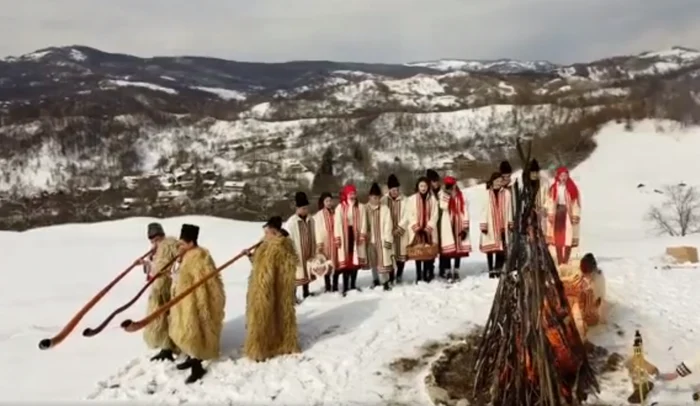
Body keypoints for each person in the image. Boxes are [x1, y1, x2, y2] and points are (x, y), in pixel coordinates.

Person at [168, 224, 225, 384]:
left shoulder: (201, 258)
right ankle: (190, 356)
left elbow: (208, 283)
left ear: (191, 243)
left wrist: (201, 301)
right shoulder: (187, 256)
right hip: (184, 302)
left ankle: (197, 366)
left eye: (183, 244)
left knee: (196, 332)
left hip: (196, 302)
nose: (180, 246)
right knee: (186, 329)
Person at [242, 216, 300, 362]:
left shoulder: (281, 247)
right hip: (261, 287)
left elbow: (283, 269)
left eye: (267, 232)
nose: (265, 234)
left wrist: (267, 284)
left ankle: (267, 347)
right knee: (264, 317)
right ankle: (265, 345)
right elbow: (258, 264)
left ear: (274, 232)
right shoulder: (265, 244)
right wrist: (250, 256)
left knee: (271, 316)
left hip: (274, 289)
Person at [139, 222, 180, 362]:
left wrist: (172, 275)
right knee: (159, 318)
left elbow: (178, 263)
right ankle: (165, 346)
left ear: (162, 235)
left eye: (157, 238)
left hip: (169, 287)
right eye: (152, 240)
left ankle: (173, 345)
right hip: (158, 287)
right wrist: (146, 263)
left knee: (170, 316)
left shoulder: (170, 245)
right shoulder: (155, 251)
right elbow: (155, 268)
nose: (155, 242)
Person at [400, 176, 439, 283]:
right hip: (416, 231)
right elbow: (409, 214)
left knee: (427, 252)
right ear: (417, 186)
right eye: (421, 185)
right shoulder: (411, 199)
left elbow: (435, 215)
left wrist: (428, 227)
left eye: (425, 186)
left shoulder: (432, 199)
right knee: (418, 252)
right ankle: (418, 274)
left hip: (428, 231)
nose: (423, 188)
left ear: (428, 187)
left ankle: (427, 273)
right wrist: (416, 227)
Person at [334, 184, 367, 295]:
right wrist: (337, 237)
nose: (353, 196)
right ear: (346, 195)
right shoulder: (340, 207)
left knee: (355, 262)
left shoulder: (361, 207)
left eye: (354, 194)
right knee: (346, 262)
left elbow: (364, 222)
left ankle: (353, 284)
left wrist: (362, 234)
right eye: (350, 194)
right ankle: (345, 286)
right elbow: (337, 223)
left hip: (356, 235)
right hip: (345, 236)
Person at [480, 172, 513, 278]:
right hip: (490, 223)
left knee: (501, 248)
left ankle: (498, 268)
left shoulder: (507, 193)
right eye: (497, 181)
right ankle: (491, 269)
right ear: (492, 181)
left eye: (500, 181)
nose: (499, 183)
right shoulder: (486, 194)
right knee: (490, 249)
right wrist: (483, 224)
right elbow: (483, 209)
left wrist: (510, 222)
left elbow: (509, 208)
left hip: (502, 223)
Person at [438, 176, 471, 282]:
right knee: (448, 249)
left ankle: (456, 270)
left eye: (452, 185)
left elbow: (465, 210)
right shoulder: (442, 194)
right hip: (448, 222)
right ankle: (447, 271)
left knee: (458, 248)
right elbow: (443, 206)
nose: (452, 187)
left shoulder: (462, 195)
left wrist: (466, 226)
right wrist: (447, 195)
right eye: (449, 186)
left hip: (459, 222)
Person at [284, 191, 316, 301]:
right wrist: (291, 253)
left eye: (306, 208)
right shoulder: (291, 222)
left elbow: (313, 234)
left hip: (308, 250)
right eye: (303, 208)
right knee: (296, 275)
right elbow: (287, 239)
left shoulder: (311, 219)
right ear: (297, 209)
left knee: (307, 272)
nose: (305, 210)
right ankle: (293, 296)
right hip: (297, 251)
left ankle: (306, 292)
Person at [546, 166, 581, 265]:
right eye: (562, 175)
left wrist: (575, 215)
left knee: (568, 238)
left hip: (567, 214)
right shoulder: (554, 188)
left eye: (565, 175)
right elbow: (550, 201)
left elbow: (576, 203)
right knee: (558, 238)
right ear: (558, 176)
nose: (564, 178)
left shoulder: (572, 188)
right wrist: (550, 212)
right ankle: (560, 260)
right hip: (558, 213)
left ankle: (566, 259)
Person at [365, 182, 394, 291]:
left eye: (377, 197)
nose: (375, 199)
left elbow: (388, 224)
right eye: (373, 197)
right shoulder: (365, 208)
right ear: (370, 197)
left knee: (383, 261)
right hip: (370, 240)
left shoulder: (384, 208)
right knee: (373, 261)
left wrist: (387, 239)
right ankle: (375, 279)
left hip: (381, 239)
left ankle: (385, 281)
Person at [381, 174, 408, 284]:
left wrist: (400, 228)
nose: (395, 192)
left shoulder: (405, 199)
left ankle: (399, 275)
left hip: (401, 232)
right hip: (389, 232)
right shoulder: (383, 200)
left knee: (401, 255)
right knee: (390, 255)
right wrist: (388, 229)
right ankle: (391, 276)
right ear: (389, 190)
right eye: (392, 190)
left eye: (396, 190)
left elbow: (407, 215)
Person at [314, 192, 338, 293]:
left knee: (336, 263)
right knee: (327, 264)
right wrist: (319, 243)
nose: (329, 203)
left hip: (335, 242)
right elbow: (317, 229)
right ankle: (328, 285)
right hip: (325, 243)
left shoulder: (335, 212)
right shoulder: (319, 215)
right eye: (326, 201)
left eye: (330, 201)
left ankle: (335, 285)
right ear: (323, 202)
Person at [426, 169, 444, 280]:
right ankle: (430, 269)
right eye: (433, 181)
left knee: (443, 247)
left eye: (437, 181)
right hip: (432, 223)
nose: (436, 183)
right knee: (431, 246)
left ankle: (443, 268)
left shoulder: (442, 192)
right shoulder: (427, 194)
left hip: (442, 222)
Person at [527, 159, 550, 235]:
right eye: (532, 172)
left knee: (541, 233)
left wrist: (545, 207)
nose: (534, 175)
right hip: (529, 213)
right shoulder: (525, 185)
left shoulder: (544, 183)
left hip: (540, 212)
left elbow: (548, 197)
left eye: (536, 172)